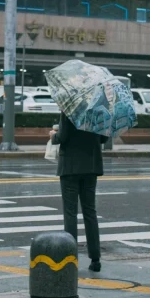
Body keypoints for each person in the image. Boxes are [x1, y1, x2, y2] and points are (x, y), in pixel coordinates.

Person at [52, 113, 106, 272]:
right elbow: (104, 139)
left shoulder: (70, 109)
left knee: (70, 213)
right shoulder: (98, 109)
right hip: (91, 165)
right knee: (90, 212)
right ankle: (95, 259)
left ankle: (70, 258)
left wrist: (53, 136)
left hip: (70, 167)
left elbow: (63, 137)